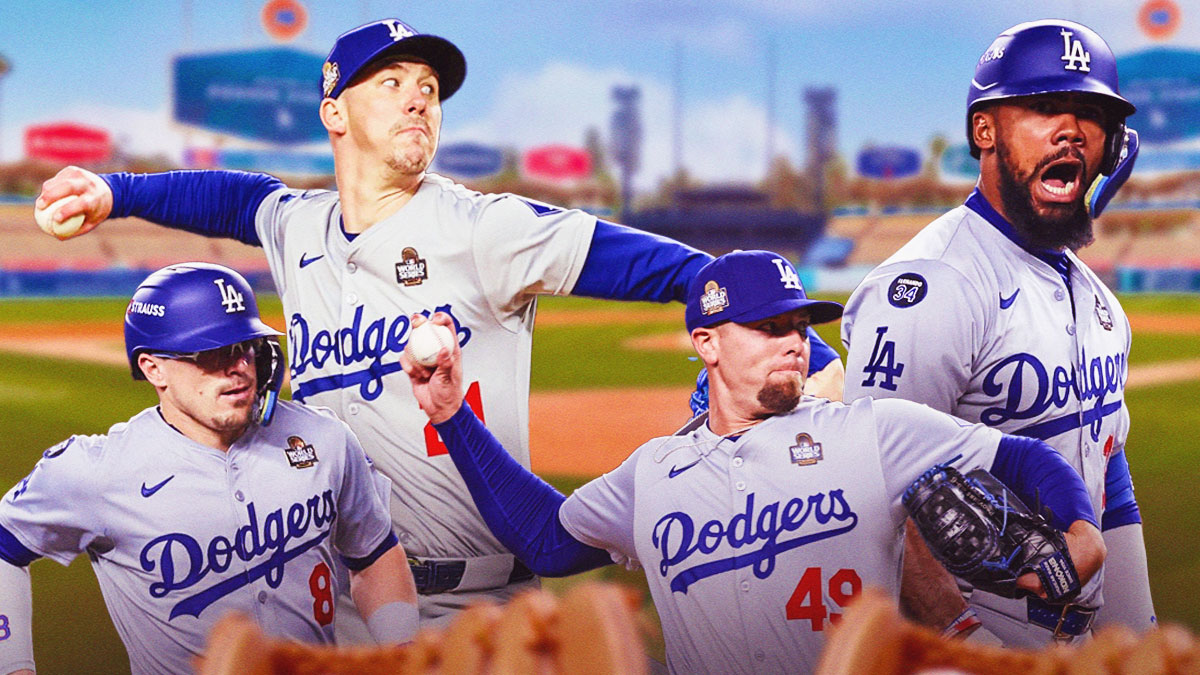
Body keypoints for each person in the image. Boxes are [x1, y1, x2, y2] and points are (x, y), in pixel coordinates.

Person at [33, 17, 844, 624]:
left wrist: (791, 340)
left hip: (477, 604)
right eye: (391, 82)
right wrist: (116, 192)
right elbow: (239, 198)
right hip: (340, 601)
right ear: (334, 111)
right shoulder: (298, 227)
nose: (419, 96)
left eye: (428, 86)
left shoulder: (485, 230)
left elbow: (676, 270)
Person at [401, 250, 1106, 675]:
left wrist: (1080, 531)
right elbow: (547, 540)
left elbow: (1020, 456)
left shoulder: (873, 431)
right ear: (707, 342)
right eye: (770, 327)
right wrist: (451, 416)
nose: (794, 342)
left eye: (800, 325)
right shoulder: (652, 473)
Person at [840, 19, 1153, 646]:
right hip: (975, 639)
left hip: (1078, 641)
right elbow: (869, 496)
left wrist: (1135, 628)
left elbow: (1107, 474)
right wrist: (968, 644)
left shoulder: (1100, 306)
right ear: (985, 129)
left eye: (1091, 113)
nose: (1071, 129)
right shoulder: (932, 285)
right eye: (1043, 107)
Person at [0, 263, 417, 675]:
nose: (236, 368)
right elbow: (5, 548)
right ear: (153, 368)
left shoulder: (324, 438)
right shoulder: (97, 472)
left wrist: (404, 653)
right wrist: (14, 665)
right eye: (209, 354)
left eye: (244, 347)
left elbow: (374, 550)